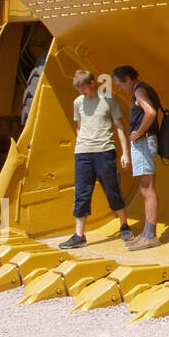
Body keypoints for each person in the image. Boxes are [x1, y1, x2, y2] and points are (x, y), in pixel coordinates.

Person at [60, 70, 132, 249]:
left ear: (93, 83)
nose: (81, 93)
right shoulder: (78, 102)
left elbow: (120, 127)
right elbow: (79, 126)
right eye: (79, 90)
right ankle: (79, 236)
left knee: (112, 189)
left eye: (83, 89)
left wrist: (125, 153)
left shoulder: (108, 100)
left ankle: (124, 225)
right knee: (82, 193)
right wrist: (81, 144)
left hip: (105, 151)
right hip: (83, 153)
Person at [112, 65, 162, 251]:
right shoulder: (141, 90)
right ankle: (147, 233)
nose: (119, 89)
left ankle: (150, 236)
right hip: (144, 142)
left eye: (119, 84)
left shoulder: (140, 91)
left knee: (147, 189)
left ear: (128, 79)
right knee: (145, 188)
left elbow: (150, 112)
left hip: (144, 143)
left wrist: (138, 133)